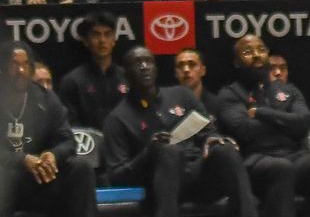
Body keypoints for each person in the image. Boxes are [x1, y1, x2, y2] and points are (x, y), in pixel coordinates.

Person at [104, 46, 254, 217]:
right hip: (158, 185)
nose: (144, 66)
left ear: (156, 68)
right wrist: (149, 152)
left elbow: (208, 130)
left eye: (148, 61)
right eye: (137, 63)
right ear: (126, 73)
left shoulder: (182, 95)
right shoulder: (117, 118)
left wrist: (212, 137)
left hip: (197, 176)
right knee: (168, 150)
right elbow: (117, 175)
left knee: (225, 149)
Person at [216, 34, 310, 217]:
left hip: (294, 156)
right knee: (280, 168)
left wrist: (261, 113)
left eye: (261, 50)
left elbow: (304, 122)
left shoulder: (288, 90)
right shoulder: (229, 94)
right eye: (248, 52)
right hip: (253, 160)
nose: (257, 55)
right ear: (237, 62)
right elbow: (244, 130)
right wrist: (286, 122)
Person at [0, 41, 97, 217]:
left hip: (36, 180)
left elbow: (67, 140)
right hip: (6, 181)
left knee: (81, 169)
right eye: (15, 65)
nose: (21, 71)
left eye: (25, 65)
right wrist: (22, 160)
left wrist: (53, 155)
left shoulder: (45, 98)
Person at [58, 12, 128, 129]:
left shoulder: (127, 77)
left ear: (114, 40)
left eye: (107, 34)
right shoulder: (72, 81)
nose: (102, 40)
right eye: (96, 35)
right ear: (86, 41)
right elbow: (69, 125)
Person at [174, 48, 220, 116]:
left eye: (192, 64)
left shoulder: (217, 105)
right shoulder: (167, 104)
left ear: (203, 71)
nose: (186, 70)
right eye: (181, 65)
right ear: (176, 73)